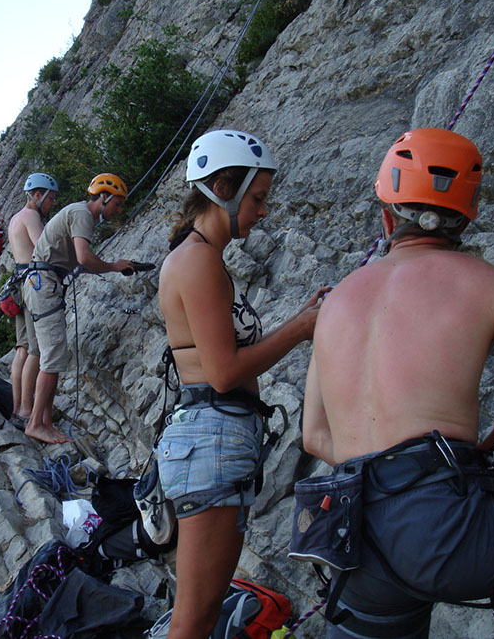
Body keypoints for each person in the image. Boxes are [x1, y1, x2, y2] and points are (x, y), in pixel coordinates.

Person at [298, 128, 494, 638]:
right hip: (451, 533)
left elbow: (315, 437)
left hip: (357, 544)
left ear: (386, 215)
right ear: (467, 218)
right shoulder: (489, 284)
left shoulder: (334, 304)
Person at [157, 129, 327, 639]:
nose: (263, 211)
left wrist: (300, 316)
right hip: (212, 442)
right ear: (224, 190)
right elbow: (225, 372)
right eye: (257, 198)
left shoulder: (199, 255)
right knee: (195, 617)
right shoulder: (199, 260)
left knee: (201, 612)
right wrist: (302, 328)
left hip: (210, 441)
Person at [21, 173, 135, 444]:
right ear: (103, 197)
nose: (118, 210)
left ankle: (45, 421)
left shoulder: (79, 213)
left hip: (42, 283)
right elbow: (84, 258)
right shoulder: (83, 214)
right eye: (116, 204)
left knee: (53, 353)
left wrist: (109, 266)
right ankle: (36, 423)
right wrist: (114, 267)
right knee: (53, 355)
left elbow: (79, 261)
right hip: (45, 284)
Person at [7, 173, 59, 431]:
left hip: (17, 282)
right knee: (36, 350)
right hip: (32, 283)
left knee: (22, 348)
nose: (52, 203)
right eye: (50, 198)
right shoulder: (31, 217)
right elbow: (43, 249)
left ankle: (18, 408)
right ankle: (27, 409)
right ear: (37, 195)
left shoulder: (15, 218)